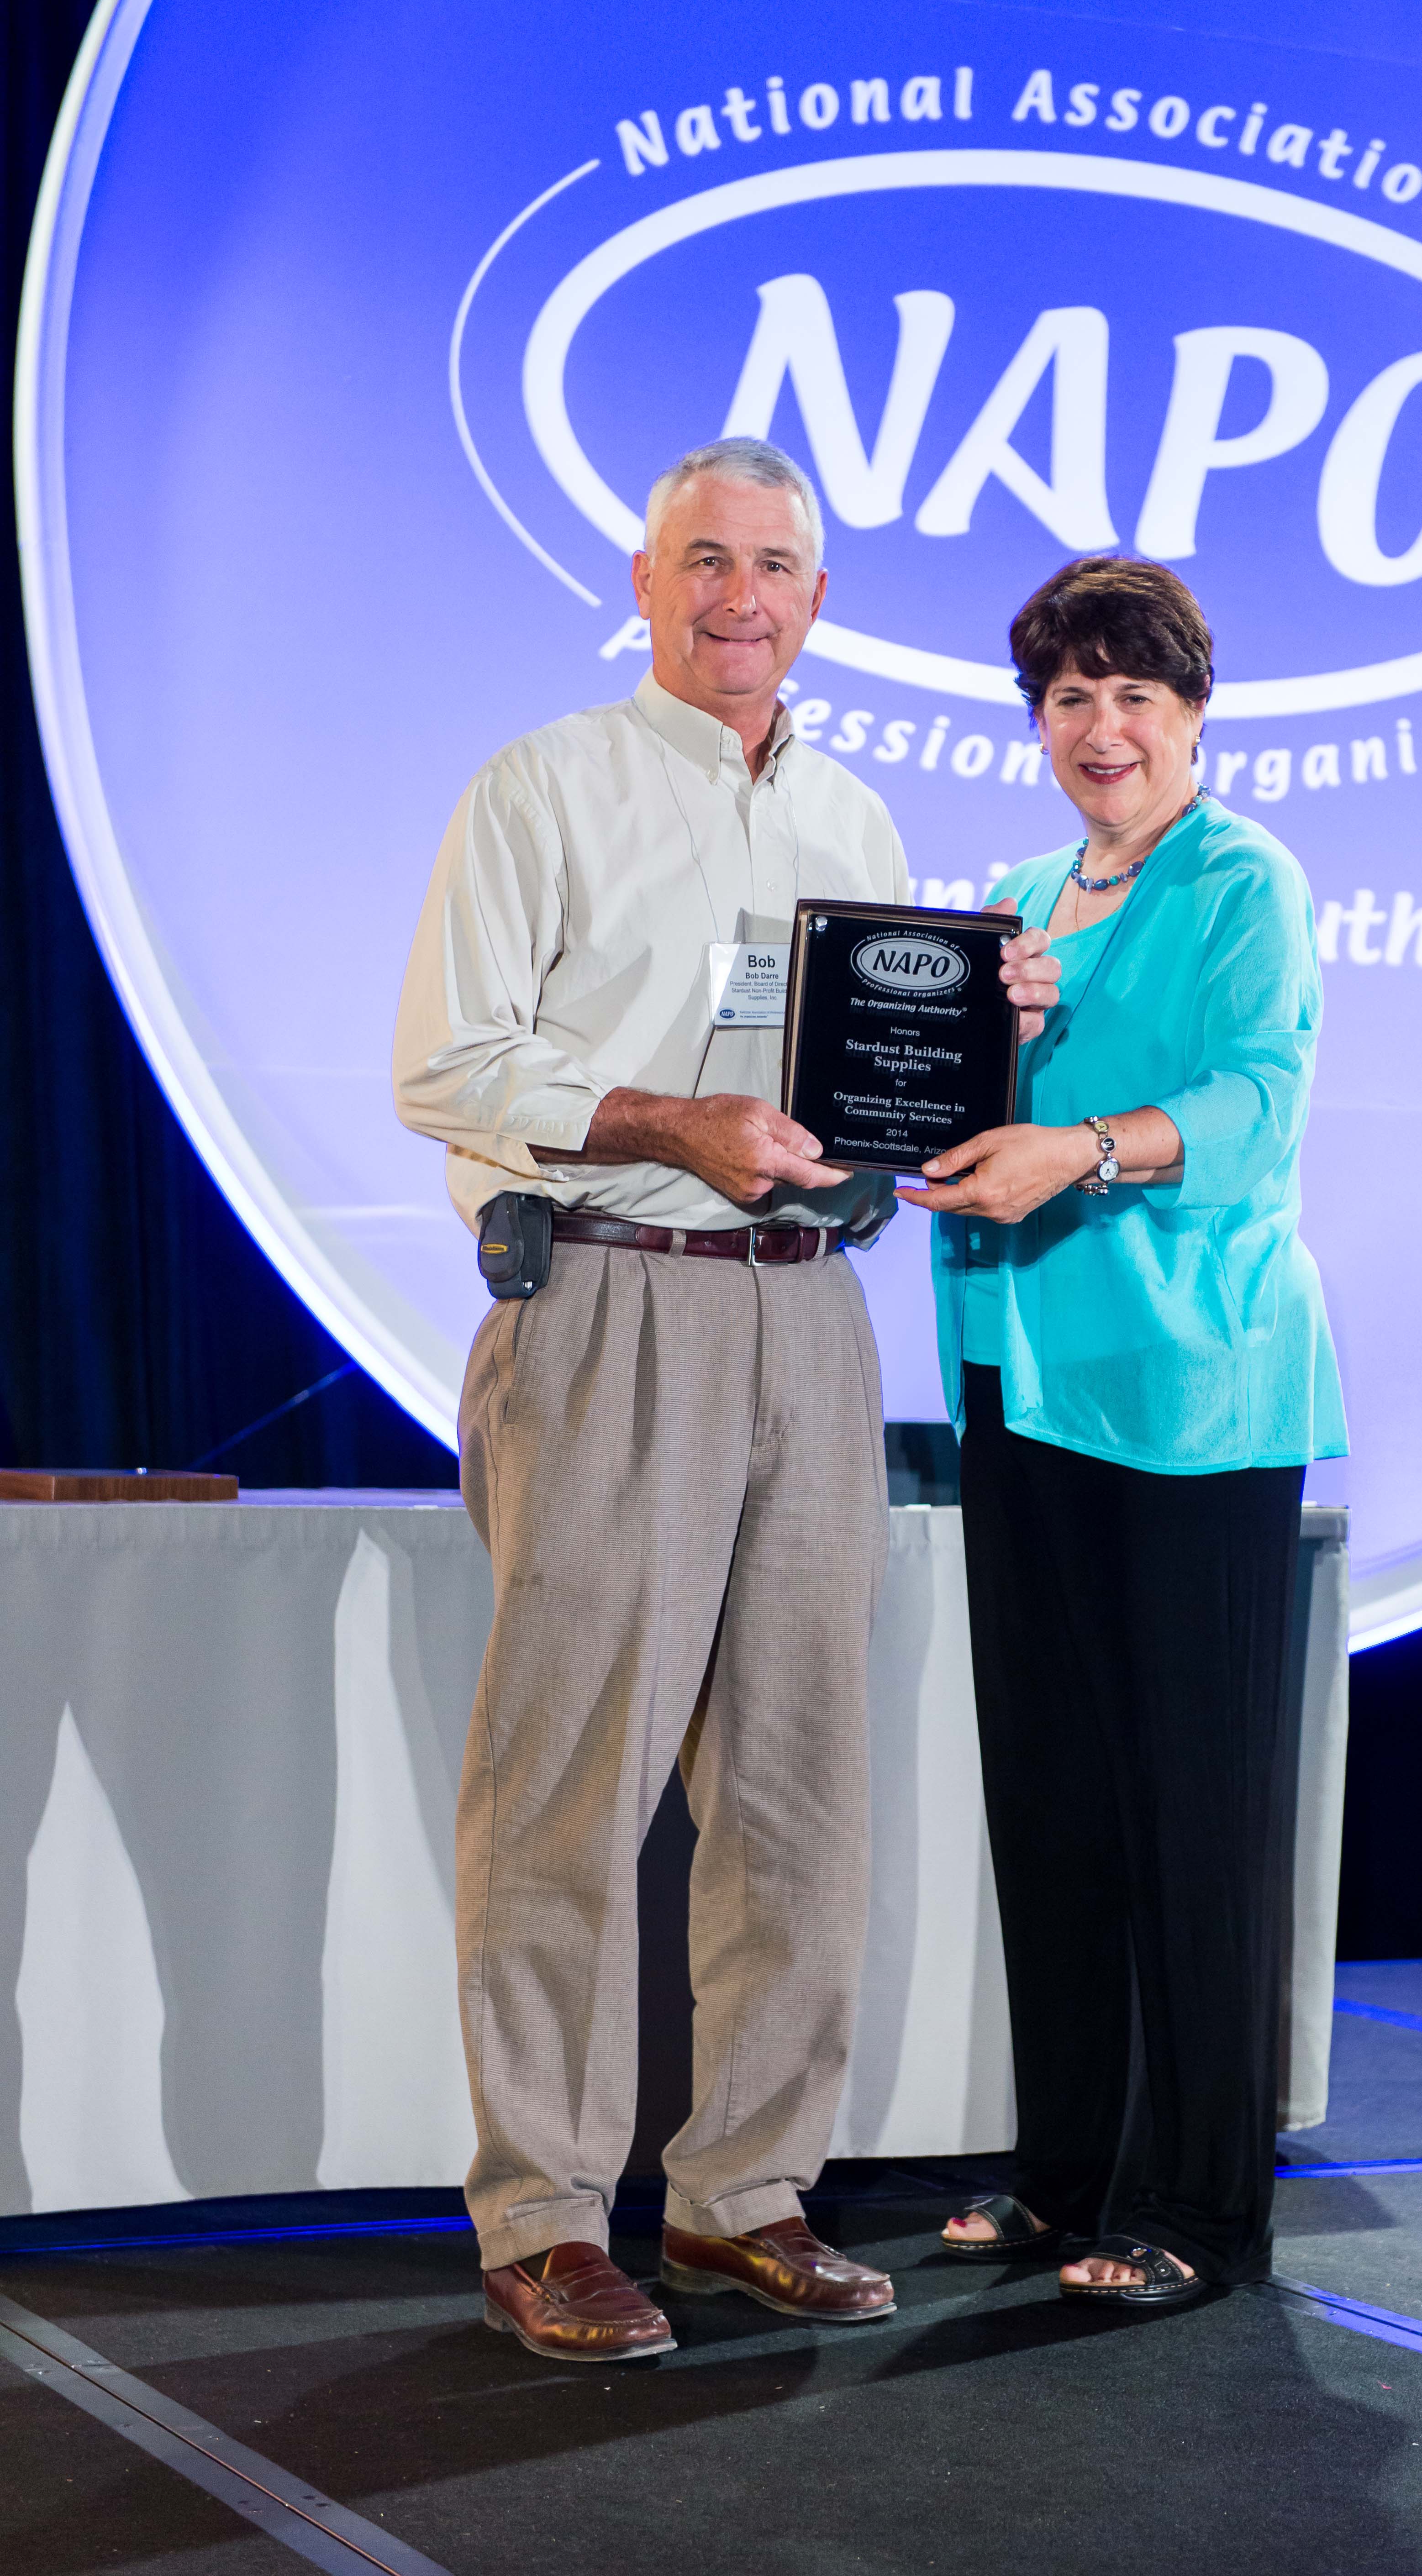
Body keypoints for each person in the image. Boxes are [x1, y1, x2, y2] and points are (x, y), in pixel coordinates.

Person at [393, 436, 1058, 2360]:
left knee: (797, 1782)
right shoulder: (543, 784)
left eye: (771, 565)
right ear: (642, 578)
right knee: (568, 1782)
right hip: (612, 1294)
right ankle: (541, 2218)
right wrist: (665, 1120)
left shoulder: (853, 820)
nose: (737, 596)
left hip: (808, 1314)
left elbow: (863, 1107)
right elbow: (447, 1065)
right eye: (703, 559)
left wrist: (979, 1056)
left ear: (817, 600)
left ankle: (743, 2192)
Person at [901, 555, 1346, 2308]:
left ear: (1195, 714)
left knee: (1195, 1809)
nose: (1102, 728)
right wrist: (958, 1070)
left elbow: (1257, 1103)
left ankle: (1203, 2209)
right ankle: (1066, 2173)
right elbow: (957, 1111)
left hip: (1190, 1393)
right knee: (1055, 1800)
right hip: (1019, 1375)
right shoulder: (1016, 898)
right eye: (1070, 697)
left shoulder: (1245, 878)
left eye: (1134, 696)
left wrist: (1076, 1149)